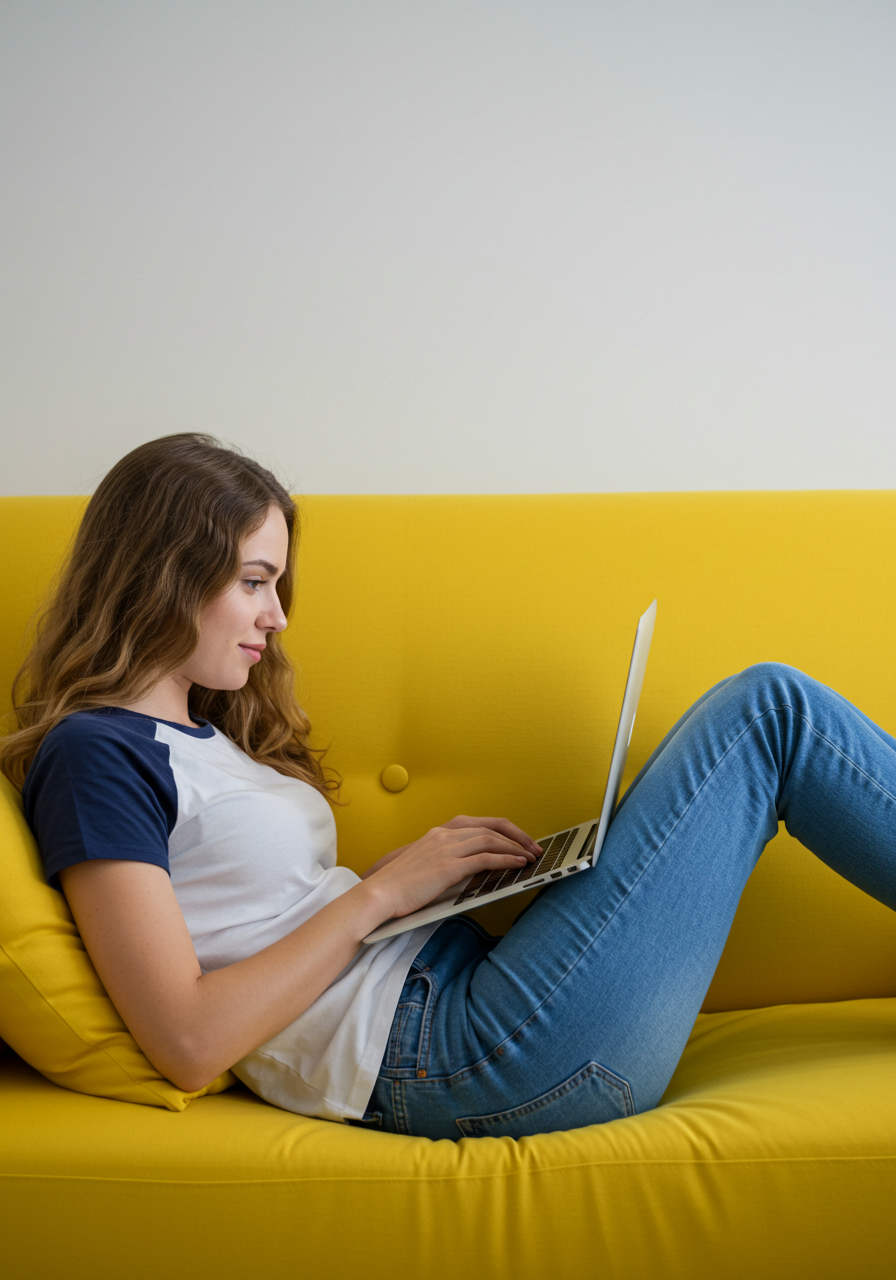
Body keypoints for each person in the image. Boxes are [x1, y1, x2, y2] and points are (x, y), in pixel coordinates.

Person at [4, 434, 894, 1141]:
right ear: (164, 575)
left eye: (278, 585)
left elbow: (258, 917)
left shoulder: (200, 737)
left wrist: (413, 893)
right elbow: (188, 1041)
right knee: (771, 712)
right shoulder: (96, 754)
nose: (276, 618)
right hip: (459, 1054)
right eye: (255, 582)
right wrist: (382, 895)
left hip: (463, 996)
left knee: (756, 719)